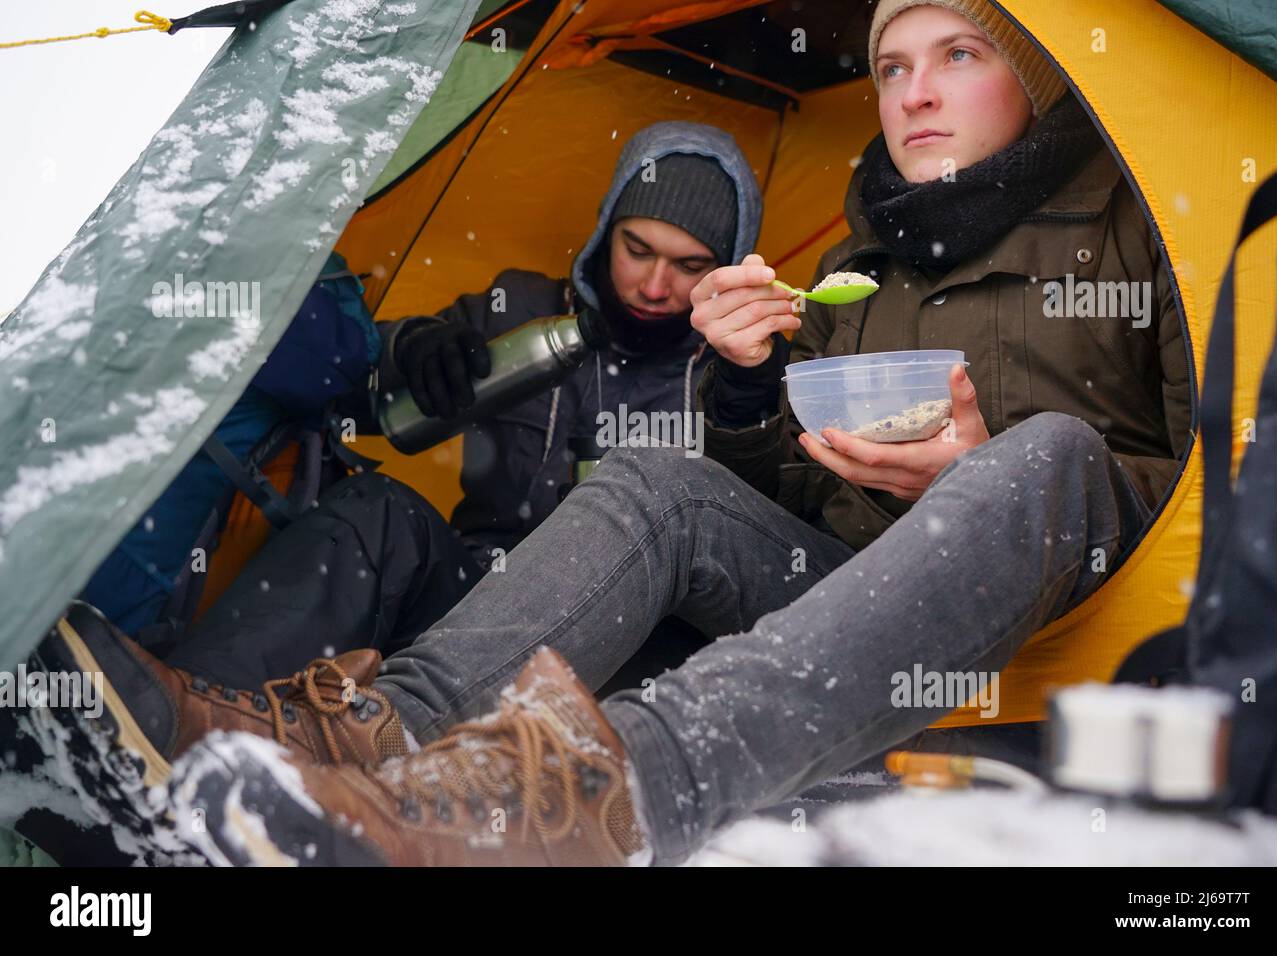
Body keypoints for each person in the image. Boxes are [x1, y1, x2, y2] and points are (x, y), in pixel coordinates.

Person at [45, 0, 1190, 866]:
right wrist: (746, 398)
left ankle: (592, 799)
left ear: (1031, 75)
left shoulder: (1146, 238)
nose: (912, 92)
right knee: (659, 477)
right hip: (838, 599)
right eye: (890, 65)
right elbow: (790, 504)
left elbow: (1225, 491)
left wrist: (977, 477)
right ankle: (377, 738)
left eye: (958, 54)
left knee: (1045, 456)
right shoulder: (851, 272)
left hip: (1058, 622)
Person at [25, 122, 763, 810]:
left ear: (726, 265)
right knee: (379, 511)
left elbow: (764, 537)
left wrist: (747, 394)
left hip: (638, 649)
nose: (658, 287)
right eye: (638, 249)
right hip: (479, 597)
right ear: (606, 229)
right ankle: (168, 738)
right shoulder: (524, 308)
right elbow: (361, 397)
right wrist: (410, 346)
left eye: (691, 265)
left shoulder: (748, 361)